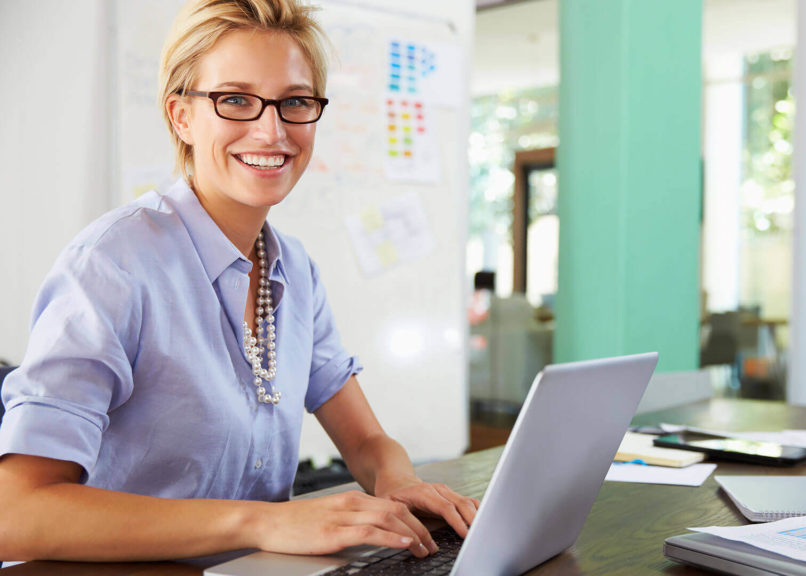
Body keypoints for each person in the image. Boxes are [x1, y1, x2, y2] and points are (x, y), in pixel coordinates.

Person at [0, 0, 477, 563]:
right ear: (181, 116)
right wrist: (263, 522)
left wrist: (396, 480)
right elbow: (17, 513)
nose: (272, 130)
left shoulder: (294, 270)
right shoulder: (112, 265)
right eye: (235, 100)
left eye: (295, 101)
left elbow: (368, 441)